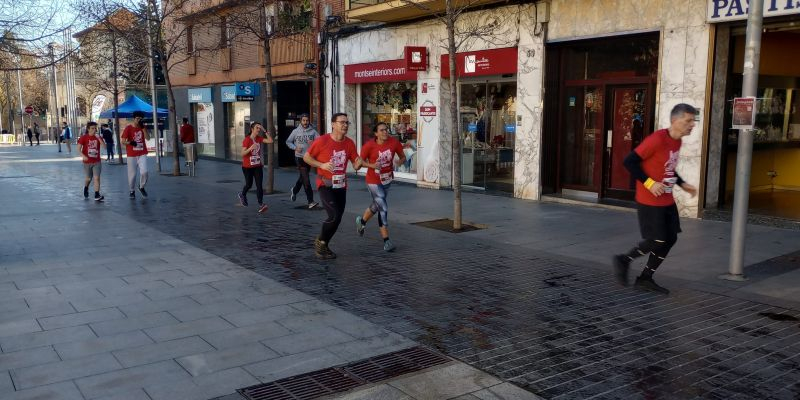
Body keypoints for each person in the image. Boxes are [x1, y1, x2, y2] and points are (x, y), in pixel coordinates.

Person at [612, 103, 699, 295]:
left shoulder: (676, 141)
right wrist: (650, 183)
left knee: (670, 239)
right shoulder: (657, 139)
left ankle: (645, 278)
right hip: (649, 200)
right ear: (675, 121)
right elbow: (629, 162)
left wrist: (682, 183)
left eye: (694, 120)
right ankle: (623, 260)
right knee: (658, 240)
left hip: (666, 200)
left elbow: (667, 167)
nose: (692, 124)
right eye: (688, 120)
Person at [303, 113, 363, 259]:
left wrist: (359, 163)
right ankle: (320, 242)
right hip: (325, 184)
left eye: (347, 123)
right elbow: (307, 157)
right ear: (333, 124)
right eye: (342, 122)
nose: (345, 125)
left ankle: (324, 244)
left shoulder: (349, 143)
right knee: (334, 215)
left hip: (341, 185)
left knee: (338, 218)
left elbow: (355, 163)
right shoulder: (322, 141)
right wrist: (321, 164)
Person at [355, 122, 406, 252]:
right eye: (382, 130)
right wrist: (372, 166)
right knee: (382, 204)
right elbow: (359, 163)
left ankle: (362, 222)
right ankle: (387, 240)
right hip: (373, 180)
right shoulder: (369, 146)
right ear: (376, 133)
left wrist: (398, 162)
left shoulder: (394, 143)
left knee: (376, 205)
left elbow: (403, 157)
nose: (385, 132)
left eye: (386, 130)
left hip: (387, 179)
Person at [237, 121, 272, 214]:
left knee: (259, 185)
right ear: (252, 129)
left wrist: (265, 131)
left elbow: (270, 141)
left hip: (257, 166)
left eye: (259, 128)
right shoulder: (247, 140)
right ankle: (242, 194)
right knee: (249, 184)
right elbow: (242, 154)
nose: (258, 129)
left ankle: (261, 204)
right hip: (247, 167)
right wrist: (250, 148)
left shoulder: (259, 138)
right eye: (257, 128)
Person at [286, 113, 319, 209]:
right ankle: (311, 201)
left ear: (309, 121)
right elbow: (288, 141)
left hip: (309, 158)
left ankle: (295, 190)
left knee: (302, 177)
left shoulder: (313, 132)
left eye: (307, 120)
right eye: (303, 120)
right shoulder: (295, 131)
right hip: (299, 158)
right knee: (306, 179)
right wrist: (295, 147)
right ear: (300, 121)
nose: (305, 122)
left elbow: (320, 142)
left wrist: (313, 143)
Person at [121, 111, 149, 199]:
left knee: (144, 171)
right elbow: (123, 141)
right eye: (137, 118)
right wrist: (130, 142)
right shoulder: (128, 128)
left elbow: (148, 138)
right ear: (134, 119)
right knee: (132, 175)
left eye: (140, 119)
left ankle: (141, 187)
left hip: (142, 153)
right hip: (132, 155)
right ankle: (131, 190)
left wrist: (143, 128)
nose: (138, 120)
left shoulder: (143, 127)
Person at [77, 121, 105, 201]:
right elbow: (78, 149)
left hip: (97, 161)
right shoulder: (84, 137)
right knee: (89, 178)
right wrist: (83, 156)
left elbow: (104, 147)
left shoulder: (98, 137)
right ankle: (86, 187)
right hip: (87, 162)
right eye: (92, 128)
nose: (94, 130)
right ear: (88, 129)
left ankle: (97, 194)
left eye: (95, 128)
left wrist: (99, 138)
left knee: (97, 178)